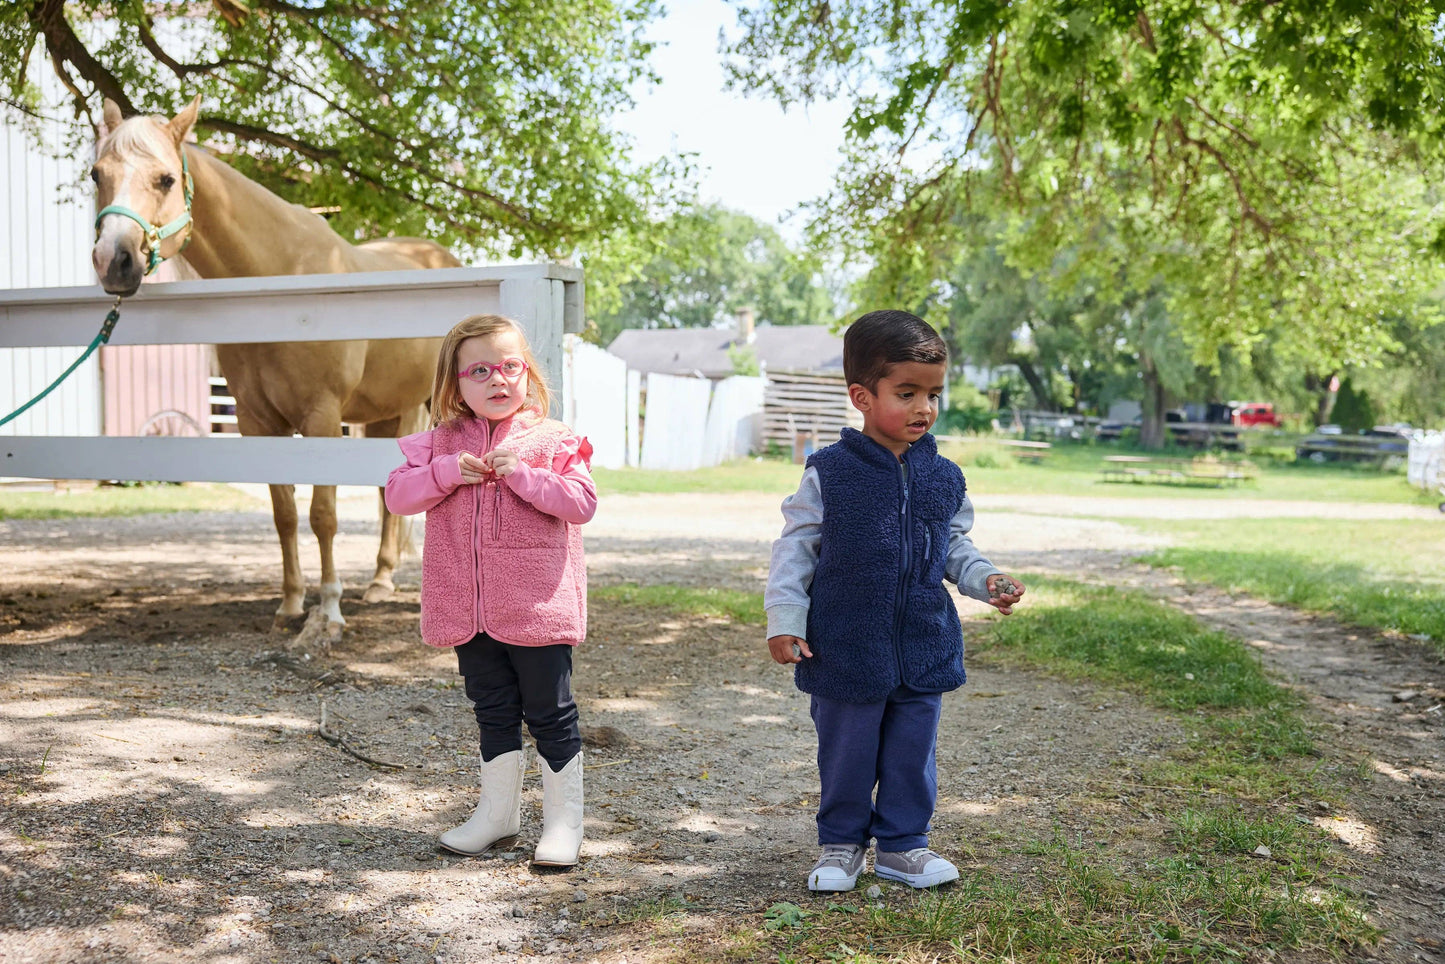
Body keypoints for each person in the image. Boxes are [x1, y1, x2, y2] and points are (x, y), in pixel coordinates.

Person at [764, 309, 1025, 892]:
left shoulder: (944, 475)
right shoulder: (829, 473)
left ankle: (905, 846)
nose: (923, 408)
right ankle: (840, 847)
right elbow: (796, 549)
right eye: (906, 393)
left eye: (933, 394)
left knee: (911, 754)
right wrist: (785, 620)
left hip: (922, 644)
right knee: (847, 753)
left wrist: (986, 580)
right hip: (846, 645)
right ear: (861, 395)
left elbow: (953, 544)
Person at [384, 313, 596, 867]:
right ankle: (497, 815)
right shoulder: (438, 445)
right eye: (480, 370)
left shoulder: (553, 440)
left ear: (527, 373)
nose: (498, 379)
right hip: (467, 605)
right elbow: (398, 498)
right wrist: (447, 471)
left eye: (510, 366)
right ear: (455, 384)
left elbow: (582, 504)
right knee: (492, 708)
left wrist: (526, 476)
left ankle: (563, 822)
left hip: (536, 607)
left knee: (550, 711)